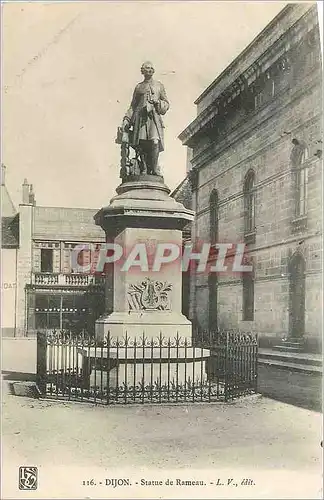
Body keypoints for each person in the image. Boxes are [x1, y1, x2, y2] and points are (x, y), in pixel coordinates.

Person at [122, 61, 169, 175]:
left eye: (151, 68)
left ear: (153, 71)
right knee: (141, 143)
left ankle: (153, 168)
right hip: (141, 118)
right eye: (147, 68)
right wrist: (127, 119)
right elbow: (133, 106)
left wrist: (158, 102)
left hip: (153, 119)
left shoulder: (159, 86)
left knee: (155, 142)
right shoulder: (138, 87)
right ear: (142, 71)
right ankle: (143, 168)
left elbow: (166, 104)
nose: (149, 70)